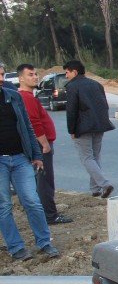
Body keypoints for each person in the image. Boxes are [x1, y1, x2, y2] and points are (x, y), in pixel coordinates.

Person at [0, 81, 58, 260]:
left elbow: (27, 127)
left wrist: (36, 154)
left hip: (20, 158)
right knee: (4, 205)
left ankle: (44, 242)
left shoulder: (13, 96)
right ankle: (16, 247)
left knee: (32, 201)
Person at [17, 64, 71, 225]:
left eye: (35, 74)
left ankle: (43, 213)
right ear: (21, 78)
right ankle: (50, 215)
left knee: (40, 180)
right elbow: (34, 123)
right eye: (30, 75)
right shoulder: (26, 98)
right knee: (45, 181)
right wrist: (44, 144)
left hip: (40, 144)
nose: (35, 77)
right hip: (41, 146)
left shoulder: (28, 96)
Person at [63, 59, 114, 198]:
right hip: (100, 125)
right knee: (95, 157)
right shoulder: (96, 84)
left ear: (74, 71)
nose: (66, 76)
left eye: (67, 72)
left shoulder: (72, 86)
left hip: (83, 127)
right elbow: (105, 105)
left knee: (86, 158)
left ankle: (105, 184)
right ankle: (95, 189)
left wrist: (71, 130)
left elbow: (71, 111)